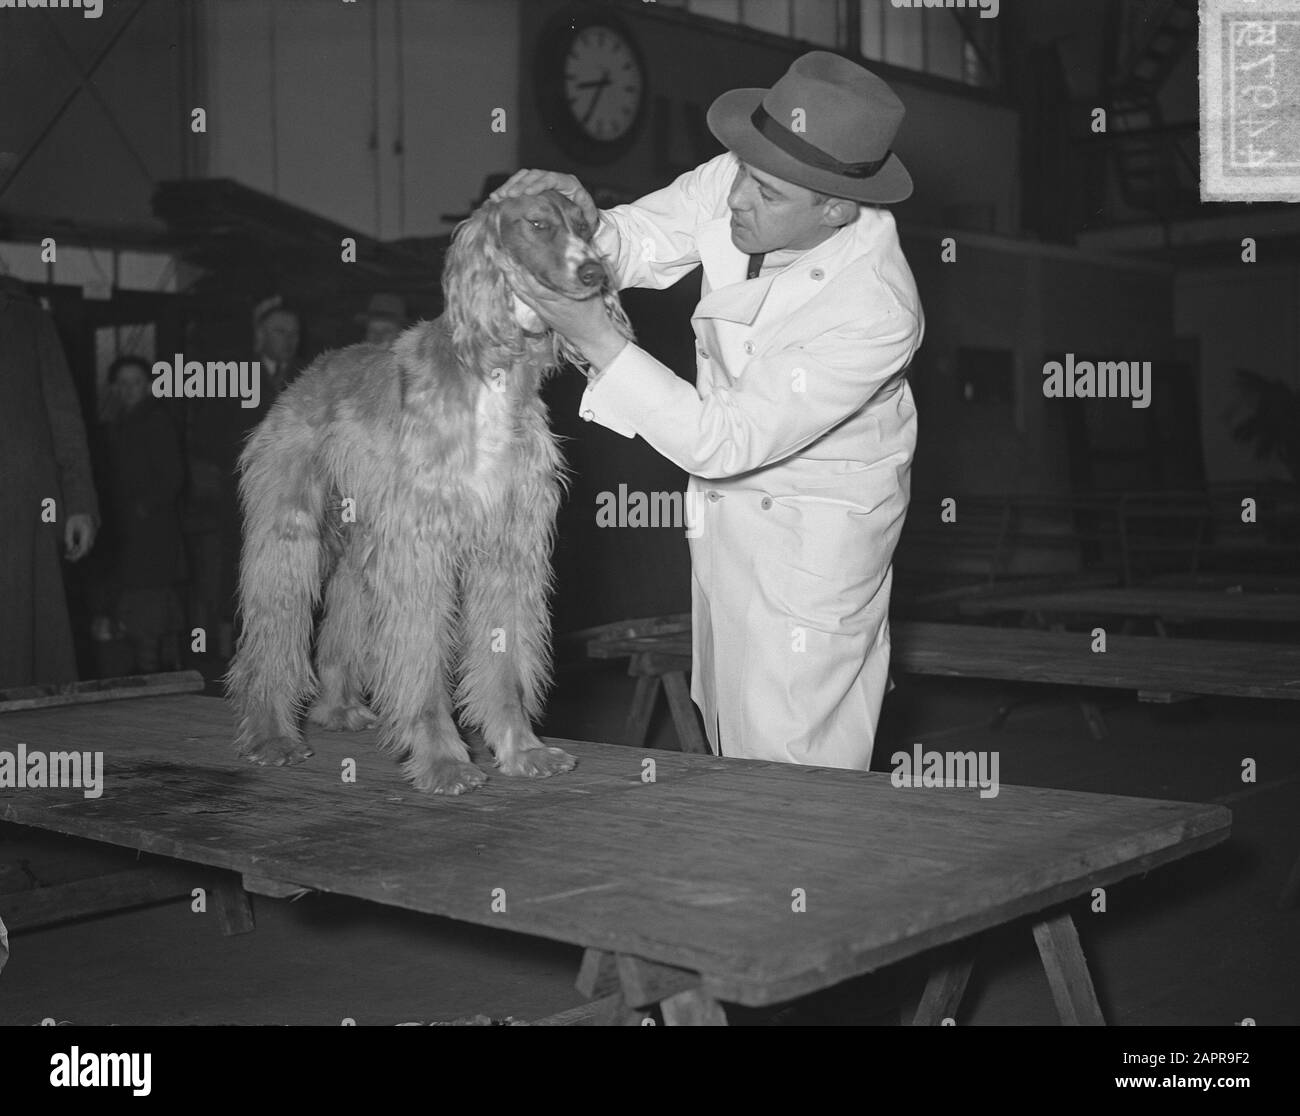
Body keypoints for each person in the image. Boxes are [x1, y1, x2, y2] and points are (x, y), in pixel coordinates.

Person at [495, 51, 924, 771]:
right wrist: (570, 229)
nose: (736, 202)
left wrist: (597, 338)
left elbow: (726, 439)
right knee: (731, 747)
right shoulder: (749, 175)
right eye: (742, 174)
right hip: (724, 521)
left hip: (812, 539)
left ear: (837, 208)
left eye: (766, 194)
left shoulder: (874, 308)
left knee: (795, 772)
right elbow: (640, 239)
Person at [0, 274, 100, 687]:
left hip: (19, 508)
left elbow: (65, 419)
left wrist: (80, 504)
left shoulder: (29, 321)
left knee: (23, 644)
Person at [90, 356, 186, 674]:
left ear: (147, 385)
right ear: (115, 388)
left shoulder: (156, 419)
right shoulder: (117, 424)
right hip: (126, 533)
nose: (130, 389)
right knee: (133, 606)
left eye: (137, 382)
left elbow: (173, 477)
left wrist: (142, 508)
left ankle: (156, 677)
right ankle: (146, 674)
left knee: (149, 608)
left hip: (151, 534)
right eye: (124, 383)